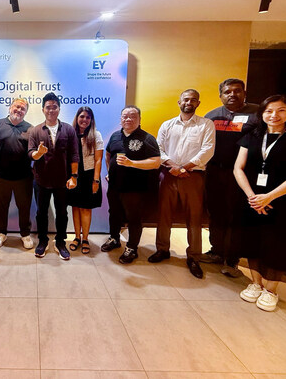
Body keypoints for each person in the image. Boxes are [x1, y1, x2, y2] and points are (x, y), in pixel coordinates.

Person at [234, 95, 286, 311]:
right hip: (253, 199)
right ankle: (255, 283)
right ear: (262, 113)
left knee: (278, 243)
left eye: (280, 110)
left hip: (284, 201)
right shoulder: (252, 136)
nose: (274, 115)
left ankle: (271, 290)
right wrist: (252, 196)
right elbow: (238, 168)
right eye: (269, 111)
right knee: (253, 240)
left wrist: (269, 196)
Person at [148, 89, 215, 279]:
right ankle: (162, 249)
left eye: (193, 100)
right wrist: (174, 167)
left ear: (198, 103)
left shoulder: (206, 125)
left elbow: (207, 150)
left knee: (194, 217)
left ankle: (193, 257)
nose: (189, 102)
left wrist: (184, 168)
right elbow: (158, 149)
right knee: (164, 214)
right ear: (179, 102)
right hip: (168, 174)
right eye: (186, 99)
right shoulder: (168, 125)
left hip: (193, 176)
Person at [203, 79, 258, 277]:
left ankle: (232, 258)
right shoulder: (211, 116)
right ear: (221, 96)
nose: (232, 95)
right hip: (215, 172)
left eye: (237, 91)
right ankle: (216, 251)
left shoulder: (257, 114)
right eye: (227, 92)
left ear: (244, 93)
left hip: (243, 174)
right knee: (216, 212)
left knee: (237, 215)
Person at [101, 106, 161, 263]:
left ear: (139, 119)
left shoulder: (147, 138)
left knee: (134, 217)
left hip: (135, 187)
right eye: (125, 116)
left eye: (132, 116)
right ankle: (114, 238)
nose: (128, 119)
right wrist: (110, 172)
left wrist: (131, 163)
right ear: (120, 119)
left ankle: (132, 248)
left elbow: (155, 162)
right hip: (115, 185)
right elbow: (108, 154)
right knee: (114, 213)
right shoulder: (115, 136)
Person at [28, 92, 79, 260]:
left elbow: (74, 154)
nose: (51, 110)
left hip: (62, 180)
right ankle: (43, 241)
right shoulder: (36, 130)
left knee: (62, 213)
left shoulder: (68, 129)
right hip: (41, 180)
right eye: (48, 107)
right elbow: (30, 153)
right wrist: (38, 153)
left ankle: (60, 242)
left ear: (59, 109)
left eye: (54, 107)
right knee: (41, 213)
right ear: (43, 109)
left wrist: (74, 176)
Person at [0, 98, 34, 249]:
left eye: (23, 109)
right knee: (1, 207)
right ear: (10, 107)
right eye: (17, 107)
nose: (19, 110)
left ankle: (25, 234)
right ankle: (1, 233)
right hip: (0, 177)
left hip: (23, 177)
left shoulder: (30, 129)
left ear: (26, 112)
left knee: (24, 207)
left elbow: (34, 152)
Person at [66, 106, 103, 254]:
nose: (84, 120)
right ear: (77, 118)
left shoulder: (96, 135)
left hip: (89, 177)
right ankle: (77, 237)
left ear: (91, 120)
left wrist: (96, 181)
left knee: (86, 208)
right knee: (75, 207)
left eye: (88, 117)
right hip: (74, 175)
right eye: (82, 116)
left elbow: (98, 160)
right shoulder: (70, 134)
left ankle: (85, 238)